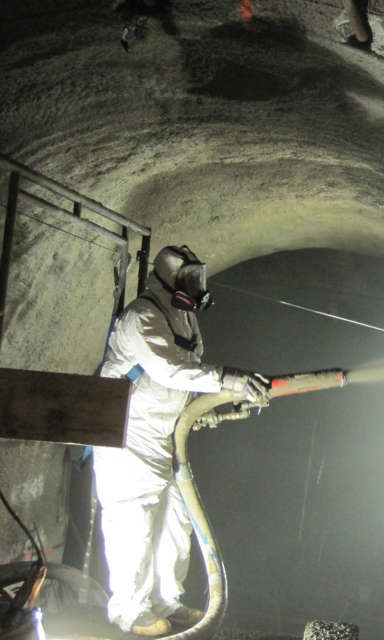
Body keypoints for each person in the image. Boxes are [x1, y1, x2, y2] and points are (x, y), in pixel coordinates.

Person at [93, 245, 269, 636]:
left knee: (176, 519)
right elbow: (168, 370)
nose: (197, 287)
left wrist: (205, 410)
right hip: (128, 434)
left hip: (165, 432)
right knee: (133, 522)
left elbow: (187, 373)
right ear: (167, 278)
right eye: (189, 279)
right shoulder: (142, 315)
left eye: (198, 278)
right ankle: (131, 612)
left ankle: (165, 602)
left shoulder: (185, 317)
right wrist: (228, 379)